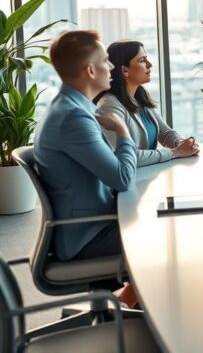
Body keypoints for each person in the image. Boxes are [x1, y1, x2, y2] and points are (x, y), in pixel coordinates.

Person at [34, 30, 139, 305]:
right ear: (90, 70)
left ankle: (125, 307)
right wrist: (123, 131)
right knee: (165, 233)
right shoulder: (73, 117)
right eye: (106, 61)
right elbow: (122, 177)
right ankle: (127, 308)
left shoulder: (71, 107)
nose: (113, 67)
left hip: (91, 223)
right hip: (87, 237)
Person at [95, 40, 198, 166]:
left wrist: (181, 143)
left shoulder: (139, 96)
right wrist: (175, 152)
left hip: (146, 176)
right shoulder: (109, 105)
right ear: (124, 70)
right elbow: (125, 155)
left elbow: (165, 133)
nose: (149, 65)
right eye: (142, 60)